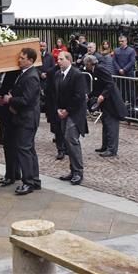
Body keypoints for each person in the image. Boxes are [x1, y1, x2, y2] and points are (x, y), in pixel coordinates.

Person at [8, 48, 42, 195]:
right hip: (24, 117)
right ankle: (34, 180)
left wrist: (11, 100)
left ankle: (29, 182)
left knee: (24, 150)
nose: (19, 60)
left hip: (27, 119)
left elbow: (27, 100)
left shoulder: (31, 76)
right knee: (28, 149)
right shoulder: (25, 74)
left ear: (30, 60)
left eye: (22, 58)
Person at [85, 54, 126, 157]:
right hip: (106, 102)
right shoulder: (95, 71)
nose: (85, 66)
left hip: (111, 102)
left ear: (90, 63)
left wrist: (103, 95)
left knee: (111, 125)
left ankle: (112, 149)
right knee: (106, 124)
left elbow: (110, 83)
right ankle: (105, 146)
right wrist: (89, 96)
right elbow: (98, 87)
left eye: (86, 64)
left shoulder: (100, 69)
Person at [55, 52, 87, 185]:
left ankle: (78, 172)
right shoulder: (58, 75)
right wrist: (58, 108)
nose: (59, 61)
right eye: (58, 59)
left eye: (61, 59)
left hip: (74, 114)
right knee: (67, 141)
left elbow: (79, 96)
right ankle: (73, 170)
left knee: (72, 140)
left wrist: (67, 111)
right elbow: (55, 93)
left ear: (68, 60)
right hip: (63, 112)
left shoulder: (77, 74)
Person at [0, 67, 20, 188]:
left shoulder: (14, 73)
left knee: (10, 143)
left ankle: (11, 174)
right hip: (3, 112)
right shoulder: (1, 72)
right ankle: (14, 172)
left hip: (11, 112)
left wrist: (7, 100)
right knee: (8, 143)